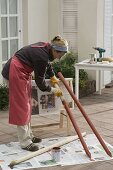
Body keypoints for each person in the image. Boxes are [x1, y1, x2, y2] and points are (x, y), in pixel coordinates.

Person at [1, 35, 68, 152]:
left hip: (22, 71)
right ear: (54, 50)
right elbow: (40, 83)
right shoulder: (42, 55)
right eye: (59, 55)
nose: (59, 58)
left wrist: (52, 76)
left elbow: (47, 64)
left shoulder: (47, 48)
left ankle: (29, 135)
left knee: (27, 104)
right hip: (14, 71)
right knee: (22, 107)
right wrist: (52, 90)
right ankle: (25, 142)